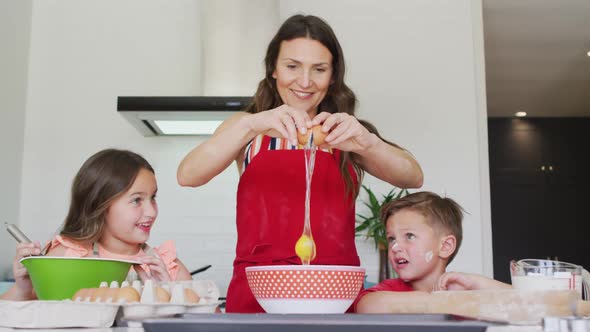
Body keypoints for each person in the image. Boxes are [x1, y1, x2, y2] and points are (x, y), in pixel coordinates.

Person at [177, 14, 423, 313]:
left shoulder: (345, 132)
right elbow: (188, 175)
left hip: (334, 290)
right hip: (258, 289)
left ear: (332, 77)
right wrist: (252, 124)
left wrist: (368, 142)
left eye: (318, 69)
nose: (304, 82)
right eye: (292, 66)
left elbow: (412, 176)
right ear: (273, 70)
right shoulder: (247, 127)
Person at [1, 149, 192, 301]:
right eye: (136, 200)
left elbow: (206, 323)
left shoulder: (168, 266)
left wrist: (170, 295)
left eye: (153, 198)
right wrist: (22, 290)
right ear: (100, 204)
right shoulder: (67, 257)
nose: (151, 211)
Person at [354, 191, 511, 313]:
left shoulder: (463, 290)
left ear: (445, 246)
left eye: (409, 236)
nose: (395, 247)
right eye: (392, 239)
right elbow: (365, 306)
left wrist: (476, 282)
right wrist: (439, 302)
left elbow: (527, 301)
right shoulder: (389, 289)